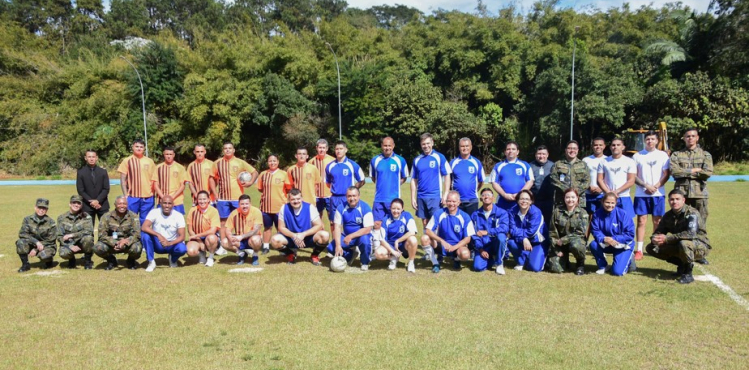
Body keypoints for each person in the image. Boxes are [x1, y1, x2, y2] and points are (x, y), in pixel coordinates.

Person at [645, 189, 711, 284]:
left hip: (699, 245)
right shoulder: (668, 215)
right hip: (678, 243)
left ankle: (688, 273)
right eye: (672, 199)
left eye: (677, 199)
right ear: (668, 201)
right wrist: (655, 239)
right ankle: (681, 265)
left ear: (683, 200)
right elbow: (658, 231)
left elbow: (690, 234)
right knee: (651, 247)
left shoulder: (692, 213)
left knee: (684, 243)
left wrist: (667, 239)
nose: (674, 202)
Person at [632, 131, 671, 261]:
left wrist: (656, 186)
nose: (650, 141)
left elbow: (666, 174)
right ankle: (639, 249)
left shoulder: (663, 156)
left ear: (657, 140)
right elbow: (634, 175)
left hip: (658, 193)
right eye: (647, 139)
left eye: (652, 139)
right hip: (641, 194)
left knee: (658, 221)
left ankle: (656, 246)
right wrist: (645, 186)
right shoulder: (637, 156)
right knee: (641, 221)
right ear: (645, 141)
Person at [411, 133, 451, 256]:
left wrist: (445, 195)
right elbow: (413, 179)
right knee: (425, 224)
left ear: (432, 143)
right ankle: (429, 251)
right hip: (421, 197)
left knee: (435, 225)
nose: (426, 146)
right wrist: (413, 197)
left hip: (435, 197)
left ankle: (439, 250)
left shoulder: (440, 157)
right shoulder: (417, 160)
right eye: (423, 144)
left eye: (428, 143)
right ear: (421, 145)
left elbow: (447, 175)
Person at [213, 142, 257, 250]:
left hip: (237, 198)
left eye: (230, 148)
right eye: (225, 148)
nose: (227, 150)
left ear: (234, 150)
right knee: (223, 222)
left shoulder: (240, 162)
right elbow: (211, 178)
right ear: (223, 150)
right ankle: (223, 245)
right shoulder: (217, 163)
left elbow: (255, 172)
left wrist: (250, 182)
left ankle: (244, 243)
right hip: (223, 198)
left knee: (241, 220)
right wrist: (215, 193)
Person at [270, 189, 330, 265]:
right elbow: (281, 227)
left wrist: (303, 234)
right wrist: (294, 236)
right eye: (293, 199)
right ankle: (290, 254)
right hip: (291, 238)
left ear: (302, 198)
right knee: (275, 240)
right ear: (289, 199)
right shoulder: (284, 208)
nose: (296, 201)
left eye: (298, 199)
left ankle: (314, 255)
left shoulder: (310, 207)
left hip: (307, 238)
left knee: (325, 235)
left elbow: (319, 225)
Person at [369, 137, 408, 248]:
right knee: (377, 224)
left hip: (394, 200)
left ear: (393, 145)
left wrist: (394, 184)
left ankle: (393, 247)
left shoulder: (400, 160)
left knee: (393, 225)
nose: (387, 148)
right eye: (385, 145)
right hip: (379, 199)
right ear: (381, 146)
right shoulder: (375, 160)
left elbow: (404, 177)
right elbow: (373, 178)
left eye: (389, 145)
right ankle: (376, 249)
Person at [424, 191, 476, 272]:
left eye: (454, 201)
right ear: (445, 201)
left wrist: (454, 247)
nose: (451, 204)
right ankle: (435, 263)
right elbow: (427, 230)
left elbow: (467, 239)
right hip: (441, 245)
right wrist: (442, 241)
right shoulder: (439, 213)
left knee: (465, 255)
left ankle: (456, 259)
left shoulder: (465, 217)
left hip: (456, 246)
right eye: (449, 201)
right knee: (424, 238)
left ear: (459, 203)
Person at [670, 127, 713, 225]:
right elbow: (675, 172)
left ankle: (701, 240)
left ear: (697, 138)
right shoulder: (676, 155)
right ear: (684, 138)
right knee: (680, 221)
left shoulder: (705, 155)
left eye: (693, 136)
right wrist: (693, 170)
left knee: (700, 222)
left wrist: (684, 173)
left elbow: (707, 173)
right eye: (688, 136)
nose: (690, 138)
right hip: (681, 194)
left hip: (699, 194)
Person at [589, 192, 636, 276]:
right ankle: (603, 266)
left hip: (622, 244)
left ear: (616, 203)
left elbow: (630, 234)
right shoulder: (597, 214)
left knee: (617, 272)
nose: (610, 205)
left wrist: (614, 238)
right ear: (602, 202)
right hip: (606, 243)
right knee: (593, 244)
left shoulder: (623, 214)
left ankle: (629, 258)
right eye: (607, 202)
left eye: (612, 203)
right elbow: (595, 230)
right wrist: (604, 238)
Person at [328, 186, 374, 271]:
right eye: (349, 196)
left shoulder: (365, 207)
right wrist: (338, 245)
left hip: (361, 236)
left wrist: (351, 236)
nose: (352, 198)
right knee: (331, 248)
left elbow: (368, 229)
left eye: (354, 196)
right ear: (346, 197)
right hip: (347, 236)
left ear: (358, 196)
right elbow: (337, 227)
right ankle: (350, 255)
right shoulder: (341, 208)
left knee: (365, 242)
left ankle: (364, 262)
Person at [94, 196, 142, 270]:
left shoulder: (133, 216)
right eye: (119, 204)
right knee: (98, 247)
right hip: (112, 244)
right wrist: (114, 243)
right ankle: (111, 260)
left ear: (127, 205)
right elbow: (102, 235)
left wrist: (125, 241)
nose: (122, 206)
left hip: (127, 244)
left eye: (124, 204)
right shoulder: (106, 216)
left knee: (137, 248)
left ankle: (130, 261)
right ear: (115, 205)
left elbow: (137, 234)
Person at [548, 188, 589, 275]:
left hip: (576, 241)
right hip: (559, 244)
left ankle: (580, 264)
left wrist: (563, 240)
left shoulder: (582, 213)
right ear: (564, 198)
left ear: (577, 198)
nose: (570, 200)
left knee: (576, 246)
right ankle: (565, 260)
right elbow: (552, 232)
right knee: (555, 269)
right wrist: (556, 250)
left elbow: (580, 232)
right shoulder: (557, 211)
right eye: (568, 197)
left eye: (573, 197)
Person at [372, 198, 419, 273]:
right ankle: (393, 258)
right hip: (390, 244)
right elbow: (382, 240)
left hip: (403, 244)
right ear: (390, 208)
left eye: (398, 209)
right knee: (378, 254)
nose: (395, 211)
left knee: (413, 239)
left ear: (402, 209)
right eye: (393, 208)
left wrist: (398, 240)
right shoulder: (386, 219)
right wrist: (392, 251)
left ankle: (411, 263)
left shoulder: (407, 215)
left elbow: (412, 231)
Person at [141, 195, 187, 272]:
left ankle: (173, 259)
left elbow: (182, 236)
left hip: (172, 244)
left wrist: (170, 243)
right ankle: (151, 262)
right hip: (158, 243)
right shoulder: (154, 212)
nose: (167, 206)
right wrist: (158, 235)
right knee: (145, 236)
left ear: (173, 204)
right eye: (165, 203)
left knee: (182, 248)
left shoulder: (178, 216)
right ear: (161, 203)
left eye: (169, 203)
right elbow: (144, 227)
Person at [257, 154, 292, 254]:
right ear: (267, 162)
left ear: (278, 162)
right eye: (270, 161)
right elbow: (260, 188)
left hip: (280, 207)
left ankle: (281, 246)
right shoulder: (263, 174)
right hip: (266, 207)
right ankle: (266, 246)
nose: (272, 163)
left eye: (274, 161)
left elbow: (288, 188)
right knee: (267, 227)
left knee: (280, 228)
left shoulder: (284, 174)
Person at [506, 189, 548, 272]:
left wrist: (523, 237)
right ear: (517, 200)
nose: (524, 201)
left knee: (534, 268)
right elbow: (512, 229)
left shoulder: (536, 212)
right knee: (511, 242)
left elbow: (531, 231)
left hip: (537, 242)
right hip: (521, 241)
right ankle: (521, 262)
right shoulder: (512, 211)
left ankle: (533, 257)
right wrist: (523, 239)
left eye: (527, 199)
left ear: (531, 201)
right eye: (521, 199)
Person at [325, 141, 365, 225]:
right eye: (337, 149)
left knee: (349, 221)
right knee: (334, 223)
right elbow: (328, 183)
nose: (338, 151)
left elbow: (362, 180)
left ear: (346, 150)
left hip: (347, 198)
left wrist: (353, 190)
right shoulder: (330, 166)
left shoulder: (352, 165)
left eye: (341, 149)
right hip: (334, 198)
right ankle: (336, 239)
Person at [117, 139, 156, 225]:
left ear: (144, 148)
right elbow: (123, 178)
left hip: (148, 197)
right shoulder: (127, 160)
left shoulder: (150, 161)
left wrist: (153, 194)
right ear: (133, 147)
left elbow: (154, 179)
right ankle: (132, 238)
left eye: (141, 147)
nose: (139, 148)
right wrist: (125, 194)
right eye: (137, 146)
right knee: (130, 221)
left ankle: (144, 239)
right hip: (133, 196)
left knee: (146, 222)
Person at [470, 188, 509, 275]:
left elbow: (505, 228)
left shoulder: (502, 213)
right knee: (477, 267)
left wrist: (487, 232)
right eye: (483, 195)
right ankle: (491, 259)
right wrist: (480, 249)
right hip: (483, 245)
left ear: (493, 198)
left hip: (496, 243)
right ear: (480, 199)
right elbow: (474, 234)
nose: (486, 197)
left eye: (488, 195)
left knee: (501, 237)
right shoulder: (475, 214)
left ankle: (499, 263)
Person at [597, 138, 636, 220]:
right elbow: (599, 180)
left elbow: (631, 180)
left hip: (623, 197)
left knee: (626, 221)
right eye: (613, 145)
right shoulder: (603, 161)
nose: (615, 147)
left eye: (618, 145)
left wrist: (616, 192)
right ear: (610, 147)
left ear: (623, 147)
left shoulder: (629, 161)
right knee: (606, 221)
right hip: (607, 198)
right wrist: (609, 193)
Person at [490, 141, 534, 210]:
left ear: (517, 152)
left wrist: (519, 194)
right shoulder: (498, 166)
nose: (511, 151)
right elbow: (494, 183)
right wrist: (504, 195)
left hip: (520, 201)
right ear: (505, 152)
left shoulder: (525, 165)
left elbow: (530, 181)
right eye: (508, 149)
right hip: (503, 201)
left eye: (513, 149)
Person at [16, 198, 57, 272]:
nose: (41, 210)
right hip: (32, 243)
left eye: (44, 208)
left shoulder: (51, 222)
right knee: (20, 242)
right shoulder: (27, 219)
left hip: (46, 246)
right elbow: (22, 234)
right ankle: (25, 265)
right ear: (35, 207)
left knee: (45, 256)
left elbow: (51, 240)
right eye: (39, 207)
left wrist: (36, 249)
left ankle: (49, 262)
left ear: (47, 209)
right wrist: (36, 242)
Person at [222, 194, 263, 265]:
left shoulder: (256, 212)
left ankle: (255, 255)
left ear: (250, 204)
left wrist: (241, 237)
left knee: (256, 240)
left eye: (246, 204)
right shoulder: (234, 213)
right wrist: (230, 238)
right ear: (239, 204)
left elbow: (256, 230)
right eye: (242, 204)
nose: (244, 206)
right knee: (224, 242)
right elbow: (227, 229)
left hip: (251, 239)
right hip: (239, 239)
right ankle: (241, 254)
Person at [549, 140, 590, 211]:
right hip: (561, 200)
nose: (572, 150)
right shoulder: (558, 164)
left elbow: (587, 181)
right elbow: (553, 179)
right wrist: (566, 191)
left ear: (577, 150)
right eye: (569, 148)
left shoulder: (583, 165)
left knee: (578, 220)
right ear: (565, 150)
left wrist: (575, 193)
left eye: (574, 148)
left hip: (578, 200)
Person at [449, 137, 485, 216]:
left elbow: (481, 181)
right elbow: (448, 181)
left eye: (467, 146)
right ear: (459, 148)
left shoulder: (476, 162)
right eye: (462, 146)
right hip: (457, 201)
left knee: (472, 226)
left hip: (472, 200)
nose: (465, 148)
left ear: (471, 147)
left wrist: (475, 190)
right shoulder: (453, 163)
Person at [56, 195, 94, 269]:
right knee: (63, 253)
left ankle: (87, 260)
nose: (76, 205)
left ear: (81, 205)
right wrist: (70, 246)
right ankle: (71, 259)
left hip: (82, 243)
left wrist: (72, 235)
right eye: (74, 203)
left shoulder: (86, 217)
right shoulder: (61, 218)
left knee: (88, 238)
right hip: (69, 244)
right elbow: (59, 236)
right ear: (70, 204)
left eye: (78, 203)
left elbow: (89, 231)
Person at [185, 191, 221, 267]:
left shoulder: (214, 211)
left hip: (209, 236)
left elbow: (213, 231)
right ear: (197, 200)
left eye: (204, 199)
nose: (202, 201)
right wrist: (199, 241)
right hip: (196, 238)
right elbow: (190, 230)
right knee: (190, 251)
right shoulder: (192, 210)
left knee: (212, 238)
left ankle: (210, 258)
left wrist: (196, 236)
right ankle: (201, 254)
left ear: (209, 199)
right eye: (200, 199)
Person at [76, 149, 110, 222]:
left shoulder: (103, 172)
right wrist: (91, 202)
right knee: (88, 230)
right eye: (89, 157)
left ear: (96, 158)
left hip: (102, 205)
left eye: (93, 157)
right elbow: (81, 190)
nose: (91, 159)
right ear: (86, 158)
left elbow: (106, 188)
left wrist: (98, 200)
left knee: (106, 229)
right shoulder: (81, 172)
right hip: (87, 206)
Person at [153, 147, 188, 214]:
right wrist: (163, 197)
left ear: (174, 155)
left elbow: (182, 186)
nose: (169, 156)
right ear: (164, 154)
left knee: (178, 222)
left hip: (177, 201)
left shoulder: (180, 168)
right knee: (161, 222)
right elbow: (155, 185)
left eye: (170, 154)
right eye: (167, 154)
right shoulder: (158, 168)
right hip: (162, 201)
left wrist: (172, 197)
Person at [309, 139, 335, 222]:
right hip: (316, 195)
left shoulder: (333, 161)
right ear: (316, 148)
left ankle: (335, 235)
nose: (321, 149)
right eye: (320, 147)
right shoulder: (311, 162)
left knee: (332, 220)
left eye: (323, 148)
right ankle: (319, 235)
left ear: (327, 148)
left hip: (329, 195)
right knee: (317, 220)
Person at [530, 145, 555, 222]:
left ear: (547, 155)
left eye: (543, 154)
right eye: (539, 154)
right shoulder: (529, 166)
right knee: (534, 221)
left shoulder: (553, 166)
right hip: (534, 200)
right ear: (535, 155)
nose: (541, 156)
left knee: (548, 222)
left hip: (549, 201)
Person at [582, 137, 607, 216]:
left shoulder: (608, 160)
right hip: (589, 193)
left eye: (600, 145)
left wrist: (601, 188)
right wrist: (589, 187)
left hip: (603, 193)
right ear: (592, 146)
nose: (598, 147)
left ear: (604, 146)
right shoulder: (586, 160)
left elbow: (610, 177)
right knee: (590, 217)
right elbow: (582, 177)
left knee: (602, 216)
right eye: (596, 145)